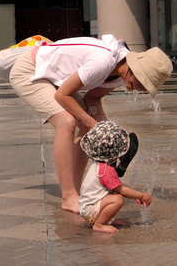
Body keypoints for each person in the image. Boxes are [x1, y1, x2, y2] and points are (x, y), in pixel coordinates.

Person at [9, 34, 172, 214]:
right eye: (142, 83)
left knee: (89, 129)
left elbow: (93, 98)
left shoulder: (119, 74)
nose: (140, 89)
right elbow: (62, 96)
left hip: (55, 78)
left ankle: (76, 191)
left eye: (145, 88)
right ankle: (68, 196)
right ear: (135, 69)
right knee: (67, 122)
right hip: (30, 71)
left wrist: (105, 129)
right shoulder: (102, 62)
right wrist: (96, 127)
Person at [78, 121, 152, 233]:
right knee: (117, 199)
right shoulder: (106, 171)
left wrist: (134, 193)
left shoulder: (98, 164)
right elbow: (122, 190)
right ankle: (100, 224)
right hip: (90, 211)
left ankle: (108, 219)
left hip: (88, 207)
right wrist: (141, 195)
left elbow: (118, 185)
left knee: (115, 193)